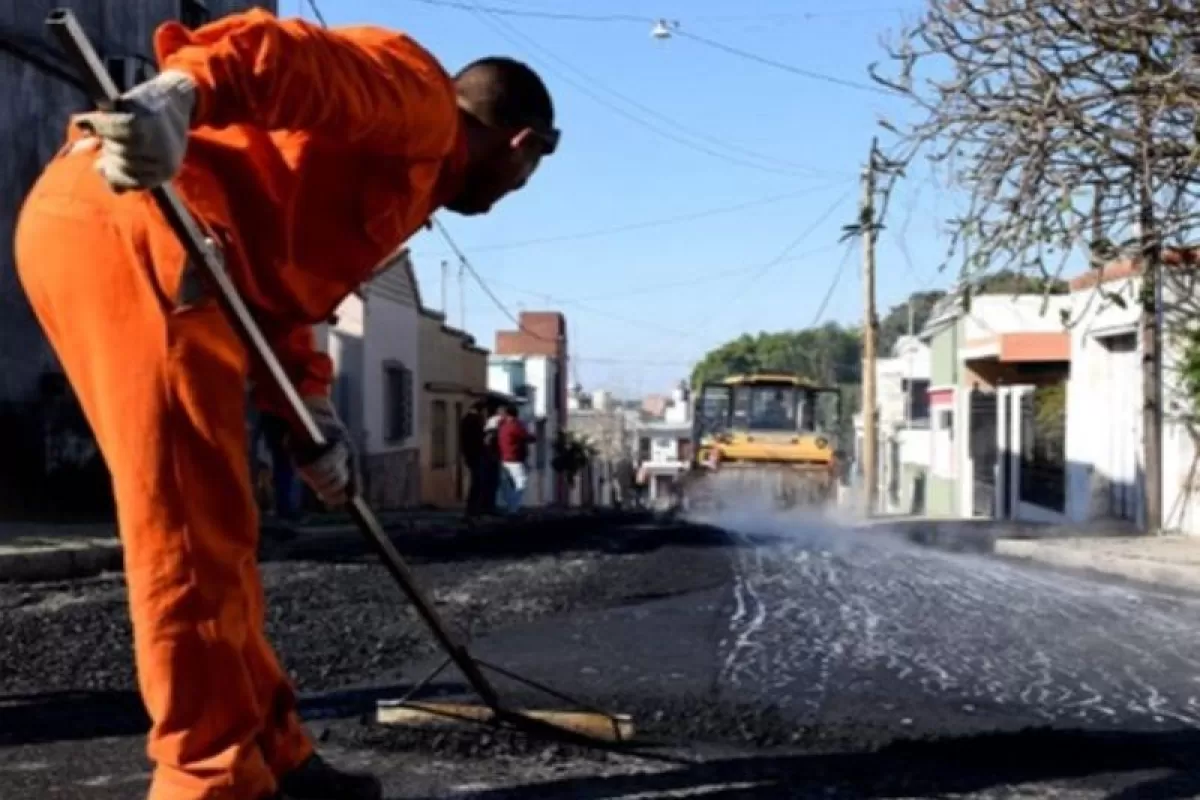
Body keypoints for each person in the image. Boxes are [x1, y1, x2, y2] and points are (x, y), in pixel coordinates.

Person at [13, 10, 558, 800]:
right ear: (520, 147)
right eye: (527, 177)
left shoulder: (405, 179)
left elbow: (279, 291)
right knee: (189, 538)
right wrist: (180, 94)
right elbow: (288, 53)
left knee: (222, 538)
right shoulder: (419, 102)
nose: (514, 195)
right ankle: (209, 782)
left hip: (166, 246)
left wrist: (311, 414)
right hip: (147, 215)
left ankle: (277, 753)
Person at [497, 404, 534, 513]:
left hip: (503, 459)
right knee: (521, 483)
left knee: (505, 485)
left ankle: (510, 505)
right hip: (514, 460)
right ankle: (513, 507)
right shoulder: (515, 426)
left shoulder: (502, 427)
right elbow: (528, 437)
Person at [459, 399, 487, 517]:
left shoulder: (465, 419)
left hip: (470, 454)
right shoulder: (476, 420)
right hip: (476, 454)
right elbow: (479, 438)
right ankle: (473, 509)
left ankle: (472, 509)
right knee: (478, 482)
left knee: (476, 481)